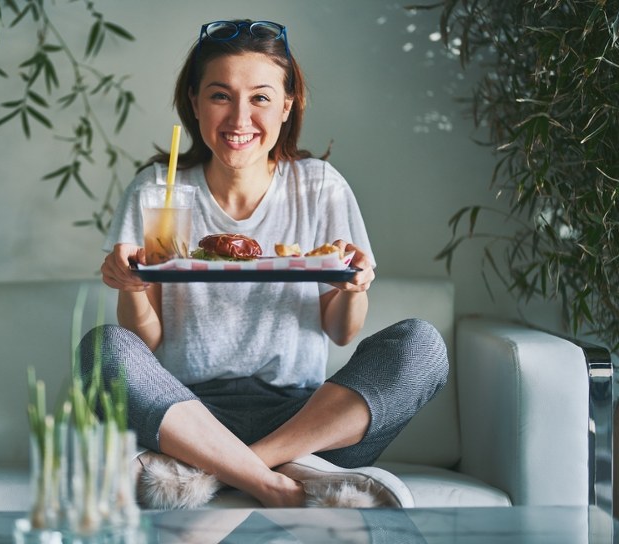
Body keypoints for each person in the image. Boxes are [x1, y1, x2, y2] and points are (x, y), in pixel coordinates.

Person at [86, 19, 448, 508]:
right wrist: (131, 286)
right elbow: (144, 343)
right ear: (194, 103)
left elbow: (340, 331)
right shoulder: (159, 190)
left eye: (259, 97)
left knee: (422, 346)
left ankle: (220, 472)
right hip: (189, 417)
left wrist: (352, 287)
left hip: (305, 418)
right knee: (102, 349)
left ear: (288, 104)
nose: (239, 118)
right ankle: (278, 479)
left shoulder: (319, 186)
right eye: (220, 96)